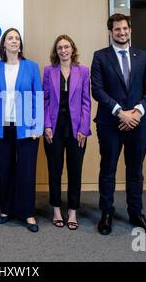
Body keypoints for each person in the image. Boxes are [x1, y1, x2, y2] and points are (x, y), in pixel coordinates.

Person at [91, 13, 146, 236]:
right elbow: (98, 90)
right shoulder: (100, 57)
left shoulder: (143, 56)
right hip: (110, 123)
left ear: (130, 29)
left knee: (135, 170)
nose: (121, 32)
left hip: (138, 123)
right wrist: (121, 113)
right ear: (110, 32)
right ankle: (106, 213)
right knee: (108, 170)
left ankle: (136, 213)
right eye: (117, 29)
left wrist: (136, 113)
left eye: (125, 28)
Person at [0, 28, 43, 233]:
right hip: (2, 127)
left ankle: (28, 212)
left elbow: (38, 96)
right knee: (5, 170)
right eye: (10, 38)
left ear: (20, 44)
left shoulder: (31, 66)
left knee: (26, 171)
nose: (14, 41)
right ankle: (6, 209)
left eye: (17, 38)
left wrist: (37, 126)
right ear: (3, 44)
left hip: (27, 128)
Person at [43, 35, 91, 230]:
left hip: (76, 129)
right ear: (56, 51)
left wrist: (84, 128)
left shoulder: (83, 71)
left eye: (66, 47)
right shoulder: (49, 71)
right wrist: (46, 125)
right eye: (60, 48)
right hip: (53, 128)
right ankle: (56, 209)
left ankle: (72, 211)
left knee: (75, 170)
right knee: (54, 170)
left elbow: (86, 102)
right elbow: (44, 101)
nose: (63, 50)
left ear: (72, 49)